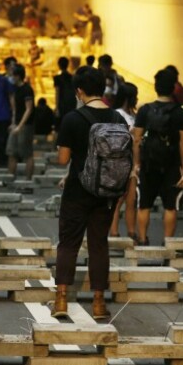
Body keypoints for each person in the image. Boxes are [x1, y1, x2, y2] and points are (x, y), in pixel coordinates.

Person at [52, 66, 128, 320]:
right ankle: (98, 304)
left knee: (69, 243)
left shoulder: (73, 119)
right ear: (103, 88)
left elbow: (63, 159)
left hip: (77, 190)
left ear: (79, 91)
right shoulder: (117, 119)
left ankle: (61, 300)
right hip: (107, 191)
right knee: (99, 245)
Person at [132, 69, 183, 246]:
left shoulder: (144, 111)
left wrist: (136, 163)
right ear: (173, 89)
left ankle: (142, 239)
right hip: (172, 165)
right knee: (170, 206)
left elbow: (137, 139)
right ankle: (168, 242)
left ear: (156, 88)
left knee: (144, 204)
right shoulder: (180, 113)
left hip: (148, 164)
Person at [109, 82, 139, 240]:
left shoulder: (132, 114)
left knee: (131, 200)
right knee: (119, 199)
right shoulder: (117, 114)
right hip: (121, 160)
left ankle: (131, 232)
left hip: (133, 160)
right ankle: (114, 232)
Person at [6, 64, 35, 180]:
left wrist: (20, 126)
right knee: (11, 152)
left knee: (27, 153)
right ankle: (10, 178)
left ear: (18, 76)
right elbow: (14, 108)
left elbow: (29, 109)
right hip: (16, 123)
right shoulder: (14, 89)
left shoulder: (27, 89)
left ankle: (28, 180)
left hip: (26, 125)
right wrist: (13, 123)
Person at [54, 57, 77, 133]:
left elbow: (57, 93)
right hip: (71, 104)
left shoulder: (57, 78)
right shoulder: (72, 77)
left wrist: (56, 107)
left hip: (61, 104)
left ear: (59, 65)